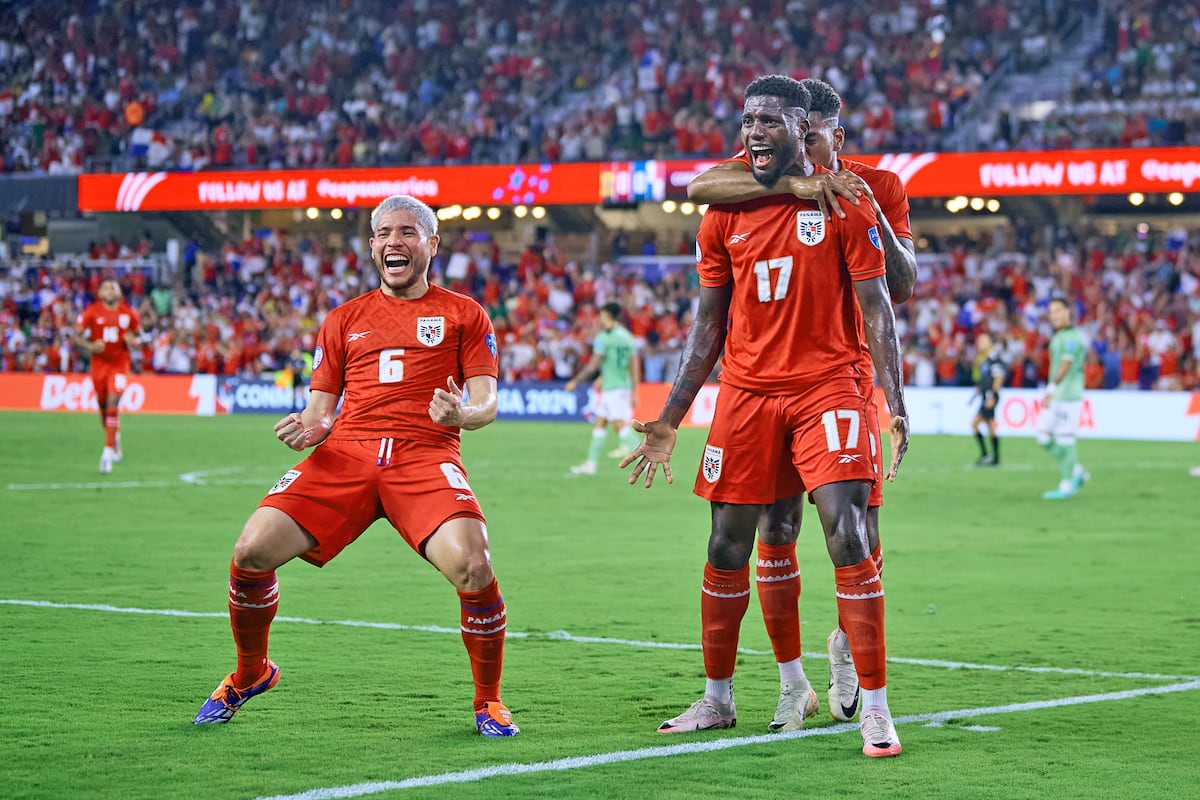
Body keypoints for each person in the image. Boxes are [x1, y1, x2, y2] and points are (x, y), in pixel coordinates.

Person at [623, 75, 909, 758]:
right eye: (748, 120)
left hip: (830, 385)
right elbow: (707, 323)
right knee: (735, 542)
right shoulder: (726, 205)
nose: (756, 131)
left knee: (848, 532)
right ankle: (742, 695)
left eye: (773, 122)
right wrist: (670, 417)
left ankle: (874, 705)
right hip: (748, 394)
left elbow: (883, 304)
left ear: (811, 130)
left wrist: (895, 405)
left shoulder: (856, 196)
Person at [192, 195, 519, 737]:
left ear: (432, 245)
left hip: (425, 455)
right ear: (372, 247)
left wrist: (464, 411)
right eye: (385, 233)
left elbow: (487, 402)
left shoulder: (465, 313)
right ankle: (252, 672)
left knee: (474, 566)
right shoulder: (343, 320)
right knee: (250, 551)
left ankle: (489, 702)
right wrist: (308, 427)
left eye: (409, 232)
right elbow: (322, 413)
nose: (396, 241)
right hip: (346, 454)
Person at [74, 278, 142, 473]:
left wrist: (134, 340)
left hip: (120, 364)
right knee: (103, 406)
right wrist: (90, 346)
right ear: (100, 293)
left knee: (113, 402)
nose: (109, 290)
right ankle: (114, 438)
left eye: (113, 287)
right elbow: (76, 335)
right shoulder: (92, 311)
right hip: (99, 364)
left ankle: (106, 454)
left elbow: (140, 337)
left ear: (119, 292)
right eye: (105, 287)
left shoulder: (128, 313)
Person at [565, 301, 641, 474]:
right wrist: (635, 390)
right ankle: (590, 465)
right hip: (621, 385)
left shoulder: (603, 338)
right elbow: (632, 365)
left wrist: (575, 381)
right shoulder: (627, 336)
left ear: (606, 315)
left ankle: (645, 459)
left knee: (619, 425)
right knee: (600, 422)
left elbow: (593, 365)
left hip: (613, 388)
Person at [1038, 296, 1089, 500]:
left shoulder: (1072, 338)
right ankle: (1076, 470)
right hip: (1058, 395)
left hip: (1068, 396)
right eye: (1052, 312)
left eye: (1059, 310)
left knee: (1066, 440)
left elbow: (1065, 365)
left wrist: (1050, 388)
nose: (1055, 315)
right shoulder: (1058, 337)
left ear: (1068, 312)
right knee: (1043, 436)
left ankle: (1066, 486)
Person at [970, 332, 1007, 466]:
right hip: (986, 396)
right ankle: (994, 458)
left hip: (990, 397)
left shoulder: (994, 359)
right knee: (990, 426)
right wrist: (975, 396)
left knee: (976, 424)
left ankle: (987, 455)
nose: (979, 344)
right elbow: (984, 381)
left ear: (990, 343)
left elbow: (998, 379)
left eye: (983, 341)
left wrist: (992, 397)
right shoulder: (984, 360)